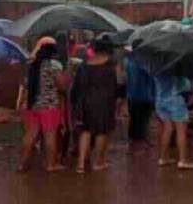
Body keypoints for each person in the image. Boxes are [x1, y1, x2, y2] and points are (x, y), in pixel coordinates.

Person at [17, 38, 66, 172]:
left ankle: (22, 164)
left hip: (32, 106)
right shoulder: (53, 66)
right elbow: (62, 85)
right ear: (52, 54)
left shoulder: (32, 67)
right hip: (49, 106)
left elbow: (25, 85)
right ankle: (51, 165)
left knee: (30, 135)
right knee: (49, 135)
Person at [71, 38, 119, 173]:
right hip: (104, 102)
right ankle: (99, 162)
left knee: (86, 131)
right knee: (101, 131)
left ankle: (80, 164)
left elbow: (77, 86)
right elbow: (118, 85)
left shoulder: (84, 65)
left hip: (85, 102)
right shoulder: (112, 65)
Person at [154, 74, 193, 170]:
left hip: (160, 99)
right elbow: (186, 86)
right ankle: (183, 160)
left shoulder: (157, 68)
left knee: (167, 128)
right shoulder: (176, 69)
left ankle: (163, 158)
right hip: (175, 100)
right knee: (181, 131)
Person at [124, 41, 154, 154]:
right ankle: (140, 143)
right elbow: (149, 76)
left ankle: (134, 142)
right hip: (144, 94)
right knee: (143, 119)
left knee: (134, 118)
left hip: (132, 94)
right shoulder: (143, 63)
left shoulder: (128, 60)